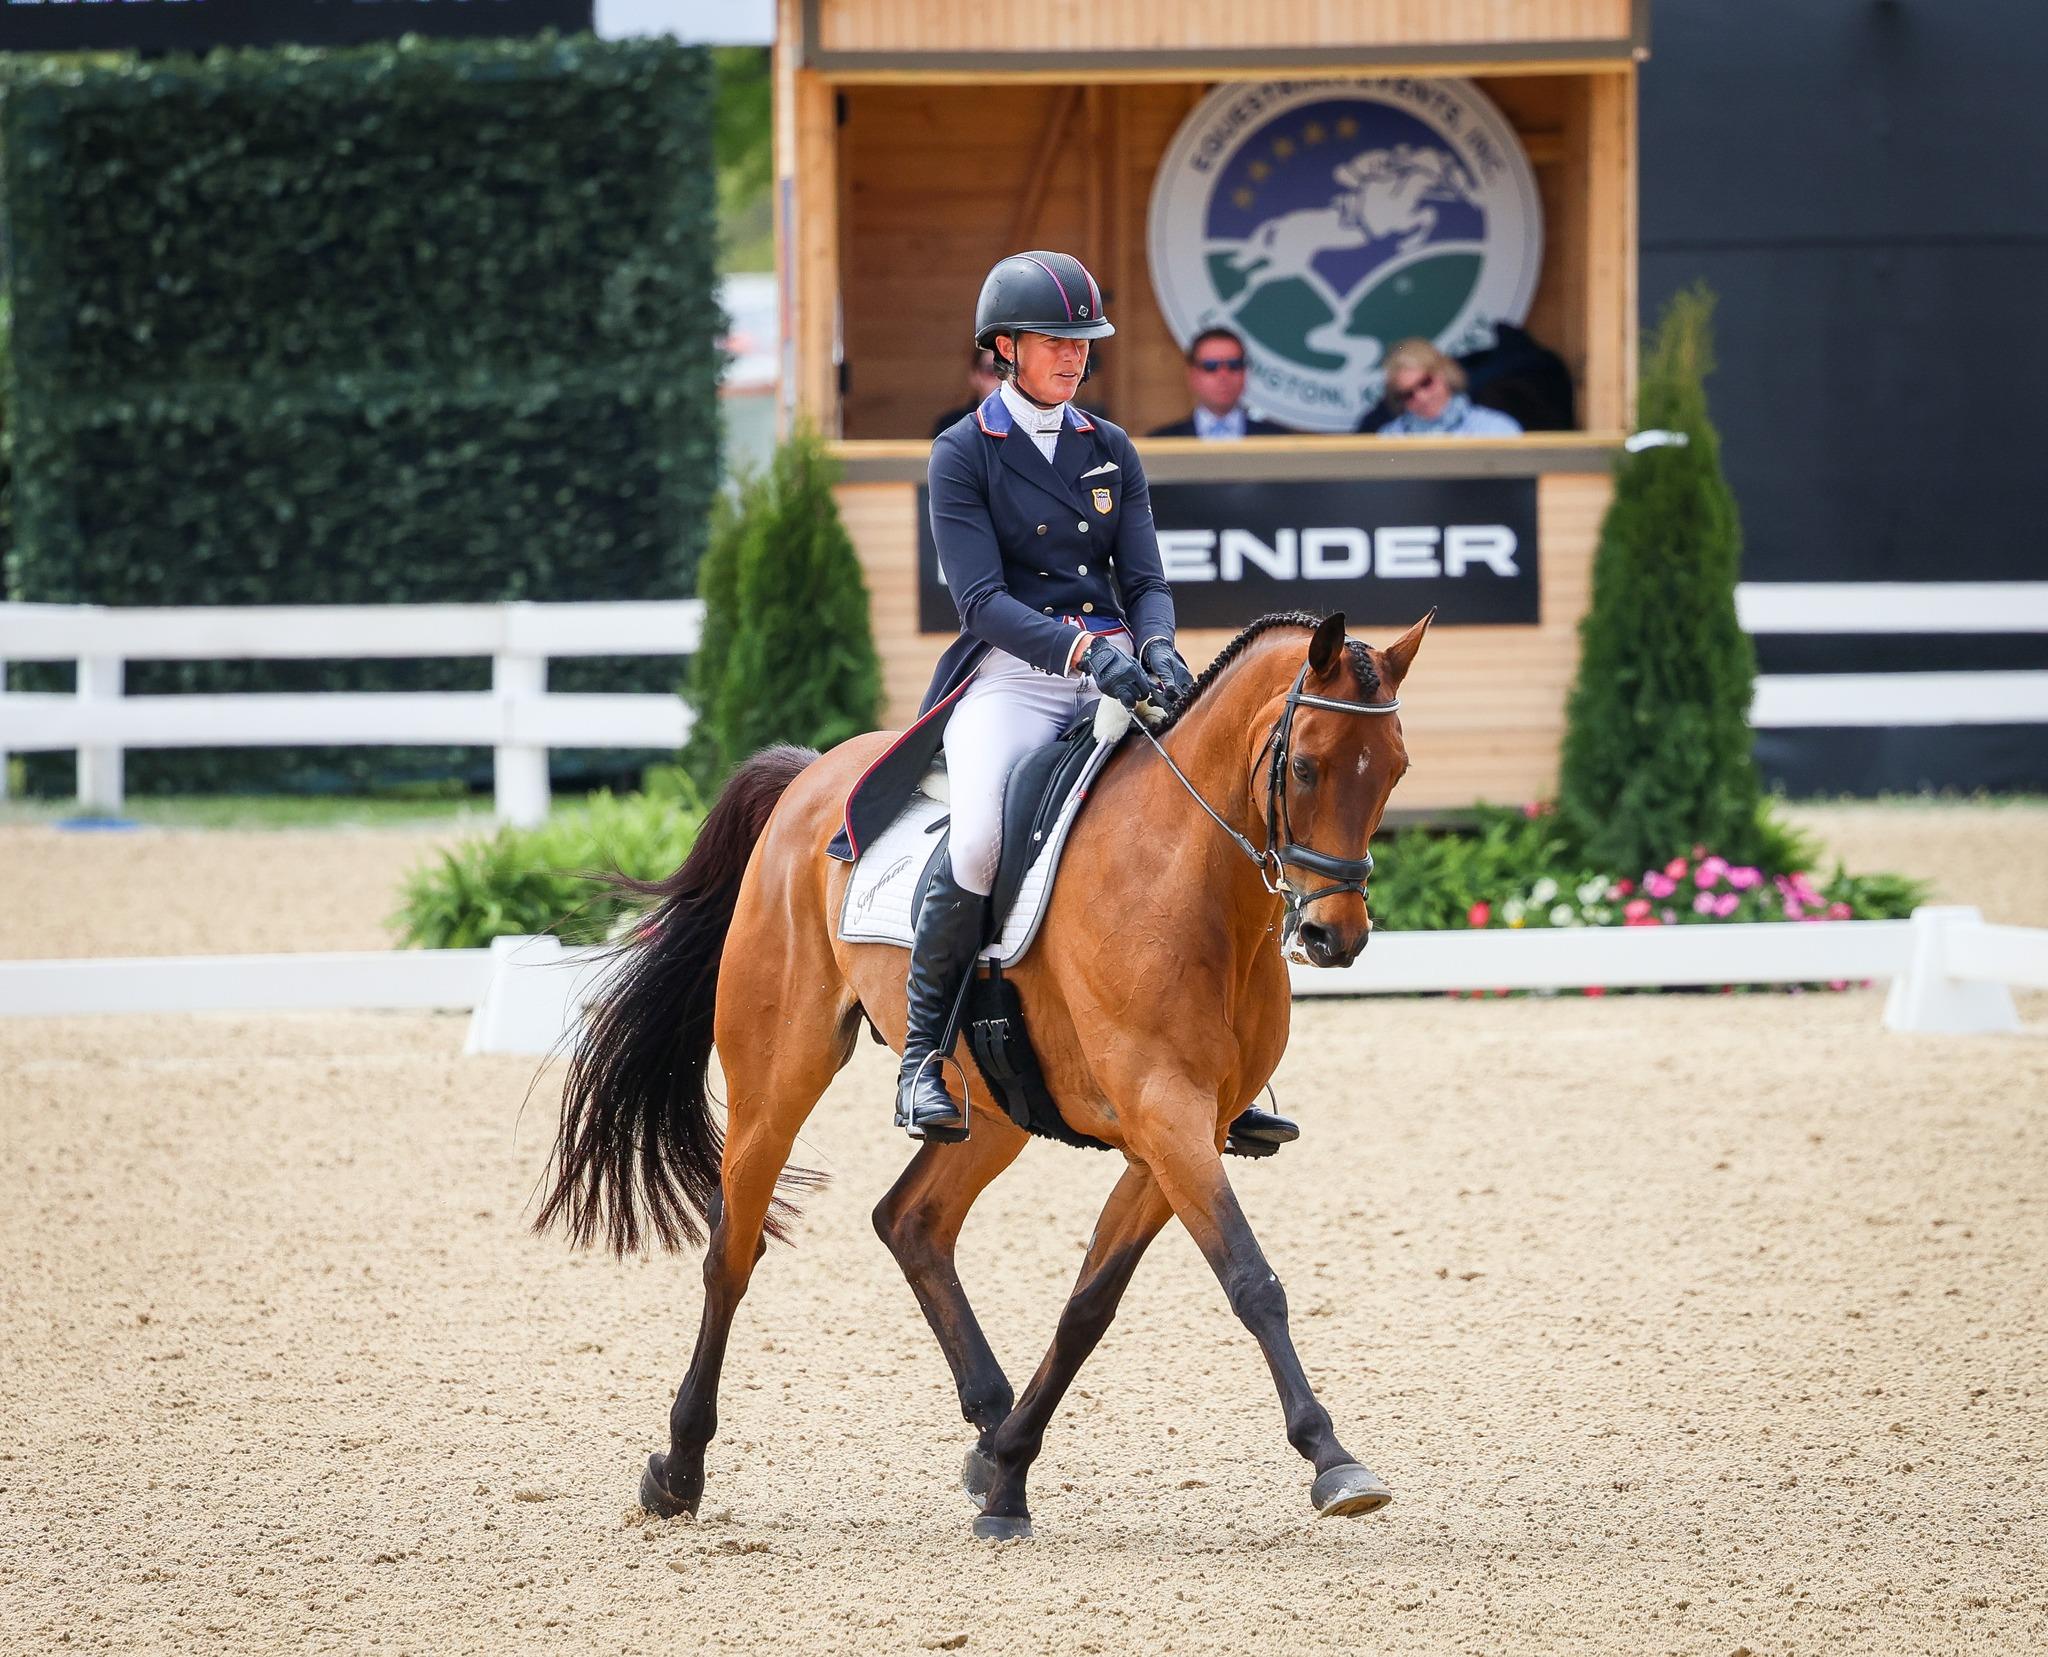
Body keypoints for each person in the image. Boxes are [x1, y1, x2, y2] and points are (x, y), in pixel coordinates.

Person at [831, 251, 1290, 1153]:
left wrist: (1152, 642)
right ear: (1004, 347)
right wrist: (1083, 648)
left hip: (1116, 667)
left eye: (1083, 342)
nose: (1074, 356)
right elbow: (980, 602)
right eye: (1055, 340)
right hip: (1012, 676)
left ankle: (1235, 1067)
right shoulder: (964, 451)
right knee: (980, 836)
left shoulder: (1109, 448)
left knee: (1201, 813)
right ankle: (923, 1053)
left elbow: (1145, 575)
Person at [1148, 327, 1290, 439]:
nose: (1223, 375)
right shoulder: (1162, 442)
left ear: (1245, 373)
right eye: (1211, 366)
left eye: (1234, 365)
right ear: (1192, 375)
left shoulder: (1279, 440)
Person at [1373, 338, 1524, 436]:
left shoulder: (1495, 429)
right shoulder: (1389, 439)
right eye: (1408, 394)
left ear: (1444, 374)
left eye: (1425, 383)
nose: (1421, 397)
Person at [929, 346, 1001, 438]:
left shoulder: (1024, 423)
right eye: (992, 370)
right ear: (975, 376)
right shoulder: (950, 427)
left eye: (1011, 372)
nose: (1002, 380)